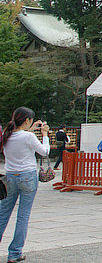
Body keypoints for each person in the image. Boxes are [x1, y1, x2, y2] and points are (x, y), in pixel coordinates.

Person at [0, 107, 50, 263]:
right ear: (27, 120)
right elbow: (44, 151)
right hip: (27, 176)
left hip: (9, 177)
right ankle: (14, 253)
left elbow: (20, 136)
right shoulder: (28, 137)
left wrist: (32, 128)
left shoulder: (6, 136)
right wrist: (45, 135)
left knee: (2, 214)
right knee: (23, 215)